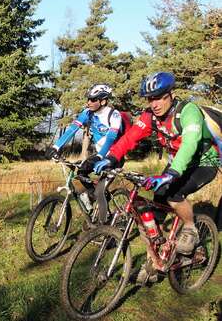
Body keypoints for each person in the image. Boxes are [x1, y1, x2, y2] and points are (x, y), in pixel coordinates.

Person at [93, 71, 220, 283]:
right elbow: (130, 137)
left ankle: (190, 229)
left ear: (171, 94)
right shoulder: (149, 117)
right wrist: (112, 158)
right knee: (149, 217)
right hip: (176, 164)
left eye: (160, 97)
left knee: (174, 194)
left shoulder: (188, 112)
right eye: (151, 98)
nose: (155, 103)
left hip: (203, 162)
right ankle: (156, 259)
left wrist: (171, 173)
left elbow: (190, 145)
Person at [47, 84, 123, 204]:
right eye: (88, 99)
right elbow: (72, 129)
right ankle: (96, 201)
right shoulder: (87, 113)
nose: (88, 102)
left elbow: (110, 138)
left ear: (103, 101)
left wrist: (100, 155)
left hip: (114, 157)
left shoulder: (114, 115)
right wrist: (56, 147)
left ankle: (104, 210)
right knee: (81, 173)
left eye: (93, 100)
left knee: (99, 192)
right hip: (99, 154)